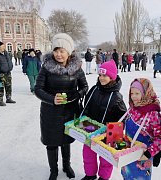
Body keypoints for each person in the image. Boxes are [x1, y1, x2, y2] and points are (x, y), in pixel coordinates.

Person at [34, 33, 88, 180]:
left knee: (66, 141)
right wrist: (52, 99)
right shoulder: (46, 68)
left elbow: (84, 87)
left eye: (62, 51)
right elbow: (38, 89)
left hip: (69, 111)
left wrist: (75, 95)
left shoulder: (77, 68)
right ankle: (53, 170)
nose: (58, 54)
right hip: (50, 112)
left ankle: (66, 165)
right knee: (51, 142)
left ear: (68, 52)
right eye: (56, 50)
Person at [81, 59, 127, 180]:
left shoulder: (116, 97)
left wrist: (113, 131)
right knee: (88, 154)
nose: (101, 78)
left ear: (112, 77)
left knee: (106, 158)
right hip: (90, 129)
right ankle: (90, 175)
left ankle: (104, 177)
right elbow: (86, 106)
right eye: (100, 75)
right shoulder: (94, 90)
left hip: (107, 134)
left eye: (105, 75)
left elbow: (123, 117)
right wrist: (83, 121)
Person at [121, 78, 161, 180]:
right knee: (126, 176)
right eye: (132, 93)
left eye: (137, 93)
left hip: (142, 158)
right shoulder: (132, 108)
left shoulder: (152, 114)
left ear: (145, 93)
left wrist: (148, 153)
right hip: (127, 154)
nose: (133, 97)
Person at [0, 40, 16, 106]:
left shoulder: (5, 53)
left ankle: (8, 98)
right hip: (1, 73)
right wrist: (0, 67)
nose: (4, 47)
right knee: (1, 87)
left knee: (8, 86)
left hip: (8, 72)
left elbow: (9, 60)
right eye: (2, 46)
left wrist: (10, 66)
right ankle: (0, 100)